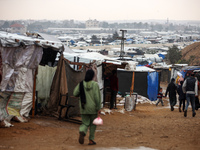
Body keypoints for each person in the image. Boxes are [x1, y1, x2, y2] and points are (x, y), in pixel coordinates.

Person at [73, 69, 101, 145]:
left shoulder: (81, 84)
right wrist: (99, 108)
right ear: (93, 76)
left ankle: (82, 131)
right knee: (93, 124)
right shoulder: (95, 85)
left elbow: (75, 93)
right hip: (93, 108)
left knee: (85, 123)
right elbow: (97, 98)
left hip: (83, 107)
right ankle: (91, 140)